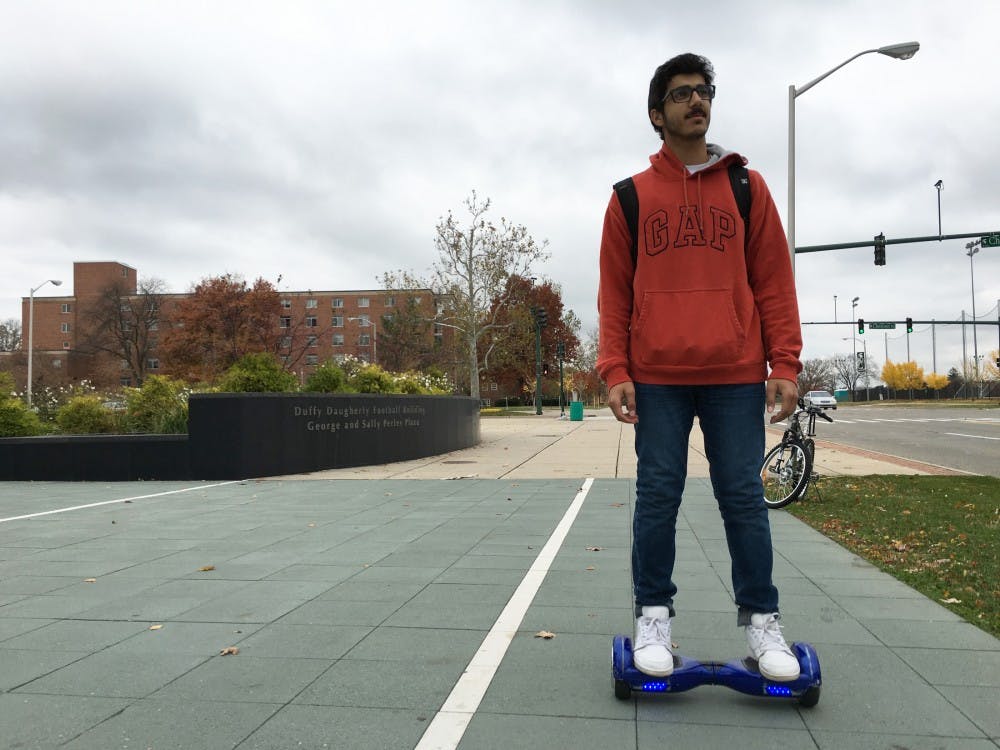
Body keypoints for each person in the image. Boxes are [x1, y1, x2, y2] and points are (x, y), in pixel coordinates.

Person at [596, 53, 804, 682]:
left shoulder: (747, 187)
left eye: (704, 91)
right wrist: (614, 369)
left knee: (742, 497)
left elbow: (773, 281)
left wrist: (785, 362)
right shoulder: (629, 198)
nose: (697, 100)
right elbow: (614, 293)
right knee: (657, 495)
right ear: (658, 114)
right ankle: (653, 617)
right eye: (682, 93)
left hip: (735, 372)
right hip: (657, 375)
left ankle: (763, 623)